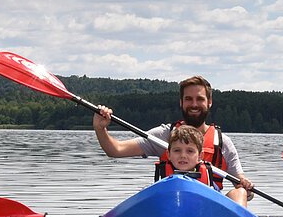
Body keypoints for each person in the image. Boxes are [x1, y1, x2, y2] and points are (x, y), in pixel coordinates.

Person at [92, 75, 253, 206]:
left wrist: (247, 188)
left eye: (200, 99)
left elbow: (243, 188)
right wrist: (101, 128)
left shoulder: (223, 142)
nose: (194, 104)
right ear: (181, 102)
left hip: (208, 213)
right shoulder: (165, 135)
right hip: (170, 208)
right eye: (189, 99)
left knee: (239, 193)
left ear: (209, 102)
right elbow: (115, 150)